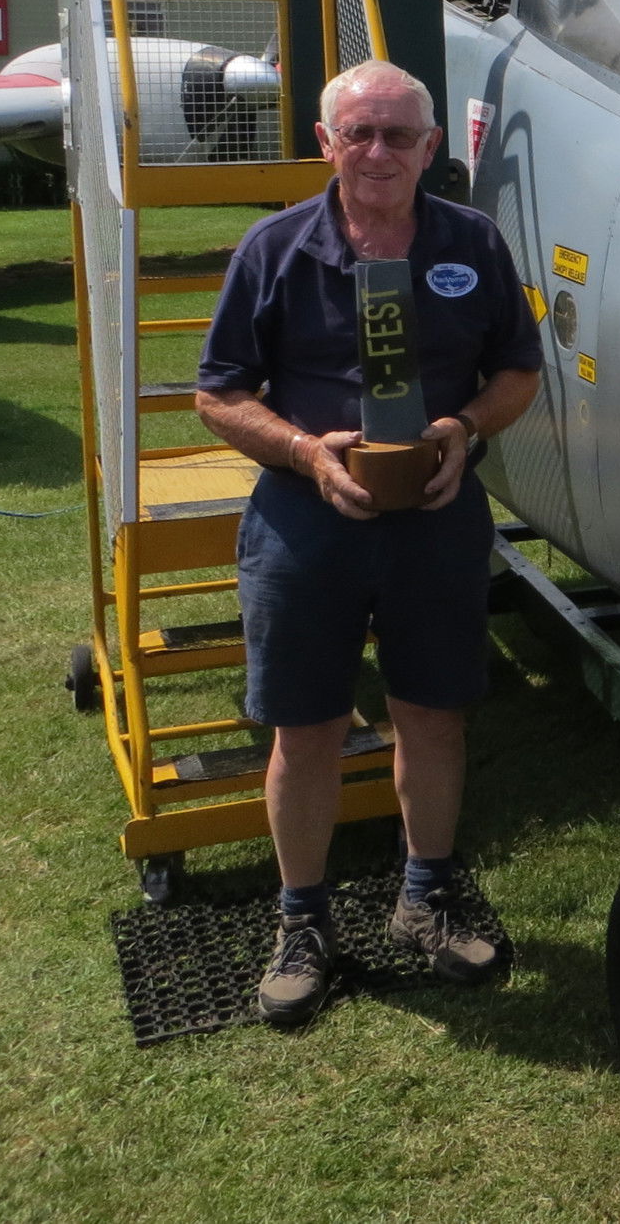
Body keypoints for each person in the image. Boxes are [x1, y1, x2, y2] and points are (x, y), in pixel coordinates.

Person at [195, 59, 542, 1028]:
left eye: (399, 134)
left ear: (434, 147)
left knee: (434, 716)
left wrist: (465, 431)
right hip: (307, 525)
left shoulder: (472, 243)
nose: (379, 151)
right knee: (303, 731)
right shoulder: (273, 250)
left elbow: (519, 370)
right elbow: (218, 394)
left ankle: (424, 897)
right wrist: (309, 453)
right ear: (326, 141)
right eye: (360, 133)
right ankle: (300, 923)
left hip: (435, 519)